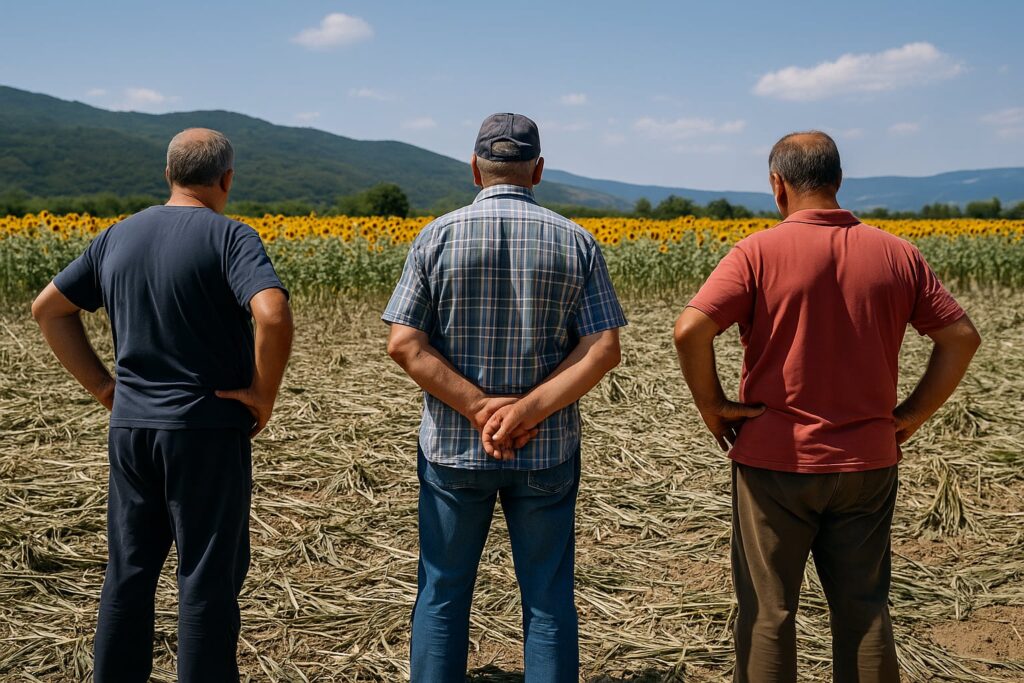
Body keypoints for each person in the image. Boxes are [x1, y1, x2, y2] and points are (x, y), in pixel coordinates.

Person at [673, 131, 981, 683]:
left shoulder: (757, 252)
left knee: (769, 613)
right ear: (838, 181)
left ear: (777, 185)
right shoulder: (897, 253)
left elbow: (689, 330)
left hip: (775, 463)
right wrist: (910, 415)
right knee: (863, 611)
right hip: (868, 461)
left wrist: (713, 406)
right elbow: (962, 338)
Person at [31, 128, 293, 682]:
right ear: (226, 179)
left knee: (129, 571)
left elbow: (48, 309)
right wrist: (262, 396)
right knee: (204, 575)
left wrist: (105, 388)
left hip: (131, 430)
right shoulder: (230, 237)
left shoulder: (117, 237)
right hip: (205, 429)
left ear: (169, 174)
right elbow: (271, 313)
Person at [383, 113, 626, 682]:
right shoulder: (577, 240)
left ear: (474, 169)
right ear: (538, 170)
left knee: (442, 593)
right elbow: (603, 349)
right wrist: (525, 412)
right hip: (545, 451)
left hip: (452, 450)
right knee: (546, 599)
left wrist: (477, 408)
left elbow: (404, 344)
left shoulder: (437, 237)